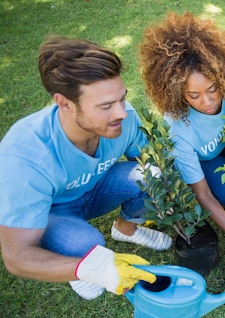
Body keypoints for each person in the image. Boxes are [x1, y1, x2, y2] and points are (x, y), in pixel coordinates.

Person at [0, 36, 173, 300]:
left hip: (94, 190)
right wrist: (91, 268)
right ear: (65, 103)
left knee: (155, 176)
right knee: (90, 247)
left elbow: (153, 162)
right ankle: (72, 261)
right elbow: (17, 257)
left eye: (121, 99)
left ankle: (125, 228)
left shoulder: (123, 119)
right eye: (106, 106)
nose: (121, 113)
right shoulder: (26, 157)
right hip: (51, 212)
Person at [138, 12, 225, 281]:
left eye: (212, 89)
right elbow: (204, 196)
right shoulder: (179, 127)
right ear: (177, 92)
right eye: (193, 95)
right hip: (205, 159)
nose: (207, 101)